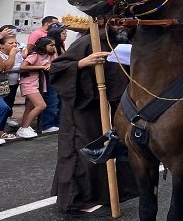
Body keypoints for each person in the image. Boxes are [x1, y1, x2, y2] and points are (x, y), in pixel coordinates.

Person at [49, 25, 138, 215]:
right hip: (83, 106)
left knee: (106, 151)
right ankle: (76, 201)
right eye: (116, 21)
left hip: (107, 106)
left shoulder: (122, 43)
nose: (121, 25)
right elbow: (57, 68)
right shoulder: (88, 41)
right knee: (81, 151)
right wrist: (81, 63)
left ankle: (100, 195)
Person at [16, 37, 57, 139]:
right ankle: (24, 128)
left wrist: (51, 62)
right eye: (51, 45)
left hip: (39, 83)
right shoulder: (35, 55)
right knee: (41, 105)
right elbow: (23, 66)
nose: (53, 47)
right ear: (43, 46)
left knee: (30, 106)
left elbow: (56, 62)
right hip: (29, 82)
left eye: (54, 45)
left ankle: (25, 126)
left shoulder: (49, 55)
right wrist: (41, 67)